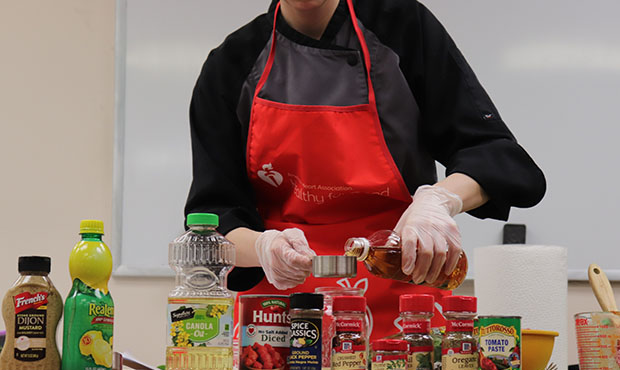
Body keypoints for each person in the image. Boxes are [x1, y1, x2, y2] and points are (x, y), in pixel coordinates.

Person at [184, 0, 546, 340]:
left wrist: (438, 202)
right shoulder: (232, 64)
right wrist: (264, 247)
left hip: (405, 311)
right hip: (278, 324)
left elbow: (493, 153)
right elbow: (214, 219)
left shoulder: (401, 27)